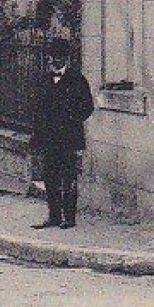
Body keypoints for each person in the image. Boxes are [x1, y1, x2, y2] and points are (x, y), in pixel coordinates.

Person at [28, 39, 95, 231]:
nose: (51, 61)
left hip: (69, 138)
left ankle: (69, 217)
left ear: (64, 59)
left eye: (55, 57)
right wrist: (37, 136)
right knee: (50, 178)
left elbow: (87, 107)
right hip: (49, 138)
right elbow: (37, 108)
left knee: (69, 177)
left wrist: (70, 119)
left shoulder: (77, 80)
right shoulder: (43, 80)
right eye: (49, 57)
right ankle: (53, 215)